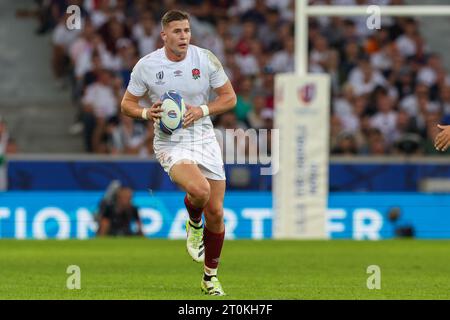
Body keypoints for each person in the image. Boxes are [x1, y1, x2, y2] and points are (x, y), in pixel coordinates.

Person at [120, 10, 236, 296]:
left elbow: (229, 98)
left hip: (204, 136)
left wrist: (202, 110)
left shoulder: (205, 59)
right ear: (164, 35)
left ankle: (210, 278)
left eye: (186, 31)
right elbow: (127, 104)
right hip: (170, 140)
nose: (183, 36)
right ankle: (193, 223)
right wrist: (147, 112)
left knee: (217, 212)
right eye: (177, 32)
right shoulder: (147, 66)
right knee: (199, 190)